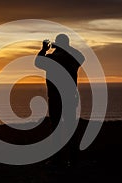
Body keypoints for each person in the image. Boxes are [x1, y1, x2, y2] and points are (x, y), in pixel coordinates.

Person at [35, 34, 85, 166]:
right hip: (69, 98)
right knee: (70, 128)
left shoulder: (52, 58)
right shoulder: (73, 58)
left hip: (55, 98)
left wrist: (44, 49)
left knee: (56, 128)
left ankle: (57, 159)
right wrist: (66, 47)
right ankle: (74, 158)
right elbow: (82, 56)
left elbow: (38, 62)